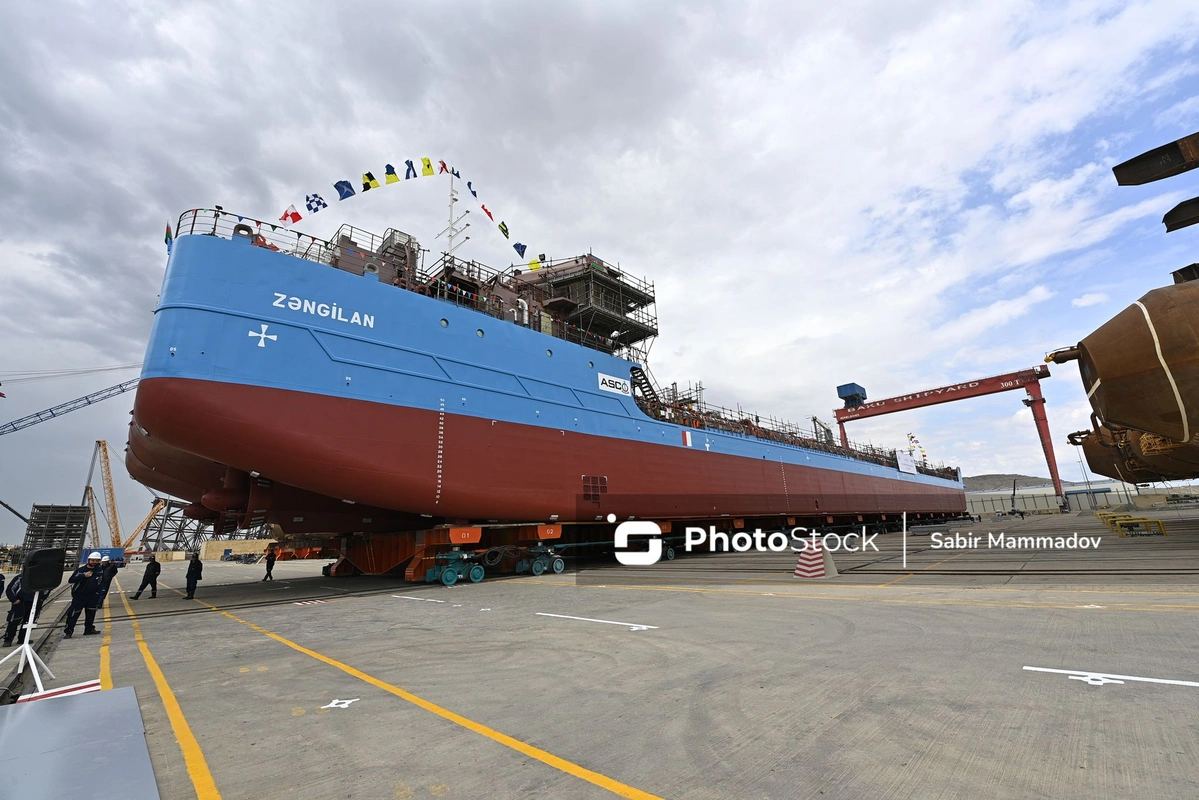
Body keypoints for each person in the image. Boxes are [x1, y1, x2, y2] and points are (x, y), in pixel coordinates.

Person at [64, 552, 105, 638]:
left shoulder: (99, 570)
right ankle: (69, 632)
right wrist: (83, 576)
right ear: (88, 560)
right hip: (79, 596)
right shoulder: (80, 570)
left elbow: (101, 582)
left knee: (91, 614)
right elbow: (71, 580)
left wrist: (99, 594)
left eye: (97, 561)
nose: (94, 562)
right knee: (73, 614)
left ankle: (89, 629)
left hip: (93, 596)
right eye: (93, 560)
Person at [3, 572, 50, 647]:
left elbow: (46, 591)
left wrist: (40, 602)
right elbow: (10, 589)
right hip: (20, 603)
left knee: (29, 621)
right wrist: (14, 600)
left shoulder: (41, 579)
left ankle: (23, 638)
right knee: (14, 621)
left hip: (34, 603)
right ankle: (8, 639)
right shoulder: (20, 578)